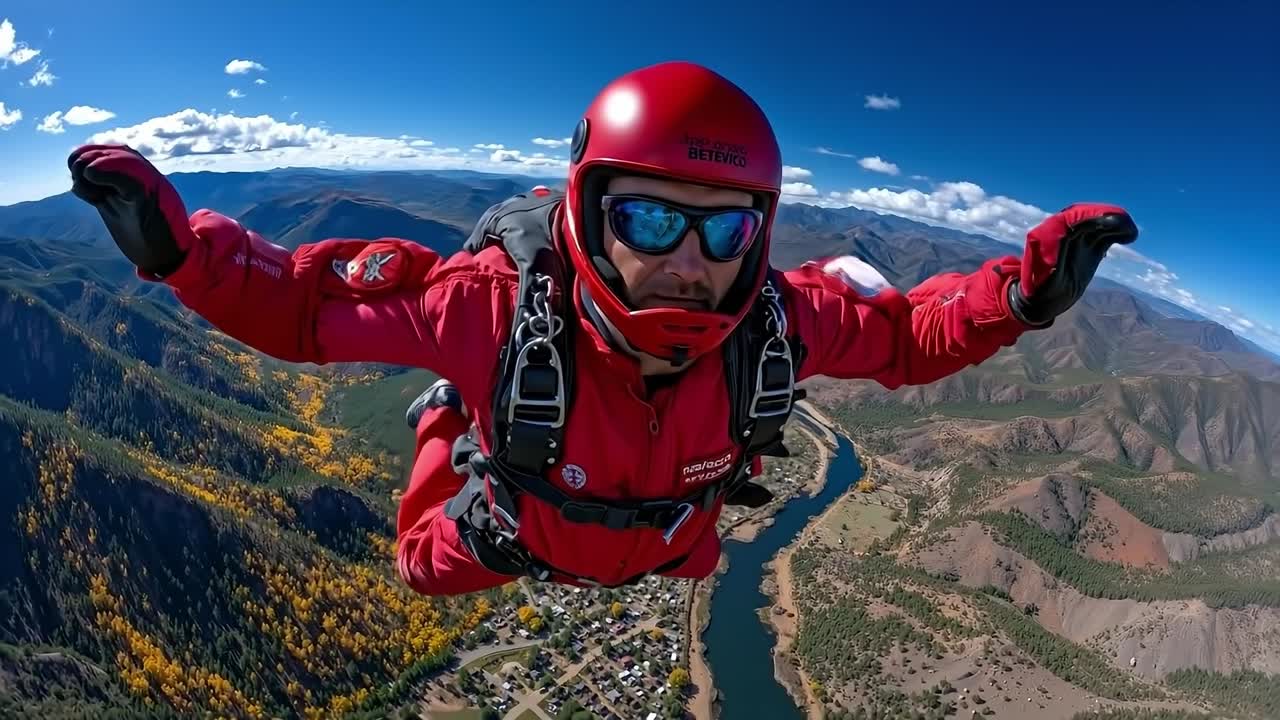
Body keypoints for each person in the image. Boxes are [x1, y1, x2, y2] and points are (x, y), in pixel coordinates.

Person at [67, 61, 1138, 596]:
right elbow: (307, 305)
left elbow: (905, 334)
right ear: (584, 210)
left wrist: (1019, 296)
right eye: (648, 217)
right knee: (419, 567)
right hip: (511, 528)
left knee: (686, 557)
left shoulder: (779, 323)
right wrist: (183, 256)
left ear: (759, 236)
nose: (688, 258)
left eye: (723, 231)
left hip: (670, 540)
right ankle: (446, 419)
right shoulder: (488, 308)